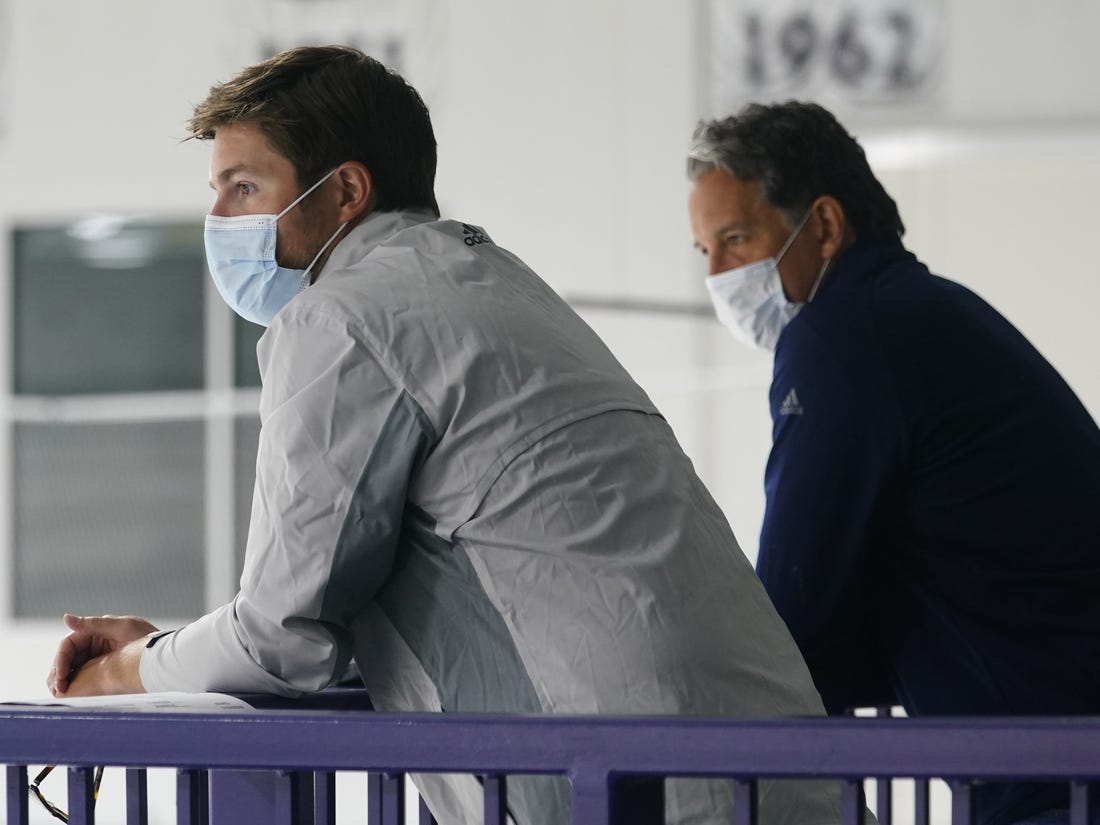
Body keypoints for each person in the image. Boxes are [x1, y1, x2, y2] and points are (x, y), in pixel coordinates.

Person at [46, 47, 845, 825]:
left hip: (628, 785)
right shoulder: (493, 281)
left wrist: (124, 670)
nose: (220, 219)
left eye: (244, 187)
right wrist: (172, 643)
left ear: (346, 190)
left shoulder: (342, 319)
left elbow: (281, 640)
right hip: (779, 772)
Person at [687, 100, 1100, 825]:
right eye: (705, 253)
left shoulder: (844, 340)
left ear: (822, 226)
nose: (718, 275)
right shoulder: (926, 312)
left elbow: (793, 613)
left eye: (738, 238)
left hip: (1056, 775)